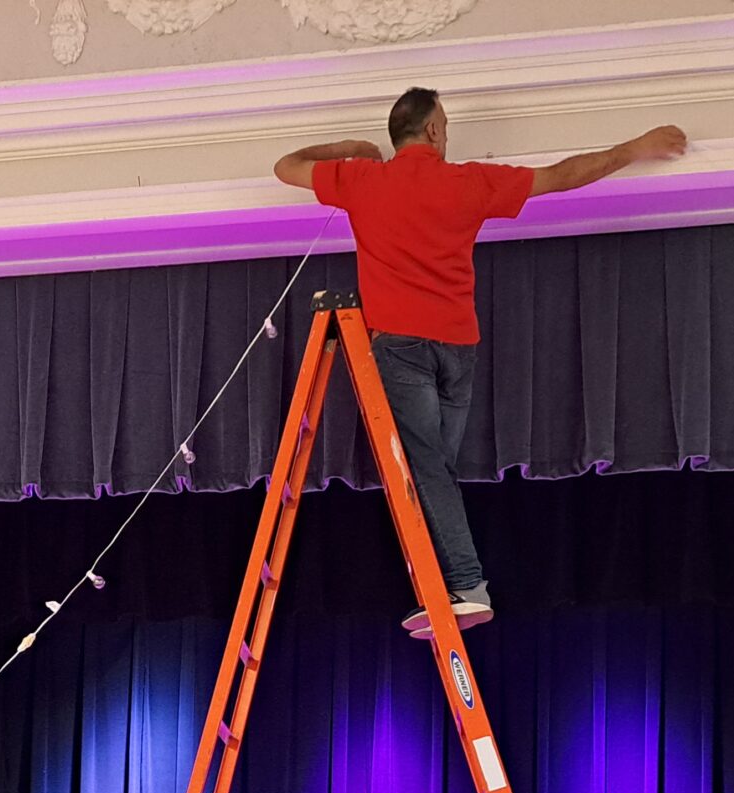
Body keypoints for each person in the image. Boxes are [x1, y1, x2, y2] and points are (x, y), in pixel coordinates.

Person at [277, 89, 686, 635]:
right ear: (431, 133)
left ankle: (466, 586)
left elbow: (286, 167)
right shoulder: (465, 181)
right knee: (433, 474)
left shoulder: (362, 180)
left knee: (427, 473)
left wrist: (350, 146)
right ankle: (451, 588)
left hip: (401, 345)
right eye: (443, 125)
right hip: (457, 348)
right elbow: (561, 175)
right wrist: (634, 148)